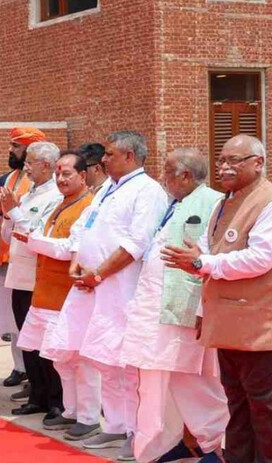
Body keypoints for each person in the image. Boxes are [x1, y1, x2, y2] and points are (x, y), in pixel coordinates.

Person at [163, 135, 272, 463]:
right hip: (230, 324)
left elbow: (258, 259)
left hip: (265, 327)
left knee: (266, 411)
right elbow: (208, 247)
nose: (225, 167)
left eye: (235, 161)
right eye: (222, 160)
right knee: (238, 408)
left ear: (258, 163)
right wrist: (199, 262)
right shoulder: (224, 202)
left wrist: (202, 262)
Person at [121, 149, 228, 463]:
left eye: (167, 172)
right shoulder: (175, 204)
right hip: (155, 309)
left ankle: (212, 446)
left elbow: (205, 255)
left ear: (185, 175)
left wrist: (199, 310)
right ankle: (170, 443)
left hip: (181, 310)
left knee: (188, 379)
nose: (162, 178)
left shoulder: (210, 202)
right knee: (159, 383)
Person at [71, 131, 169, 461]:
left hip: (124, 289)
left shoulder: (147, 191)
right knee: (104, 359)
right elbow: (85, 227)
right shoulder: (107, 190)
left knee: (128, 366)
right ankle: (113, 423)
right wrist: (78, 263)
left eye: (110, 154)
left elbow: (136, 243)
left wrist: (98, 273)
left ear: (130, 156)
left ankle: (135, 431)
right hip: (97, 289)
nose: (103, 160)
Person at [13, 151, 94, 430]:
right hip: (45, 294)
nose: (60, 179)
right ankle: (70, 411)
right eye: (58, 173)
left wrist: (34, 241)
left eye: (67, 173)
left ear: (83, 176)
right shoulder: (61, 204)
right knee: (59, 360)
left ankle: (87, 416)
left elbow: (69, 248)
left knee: (76, 362)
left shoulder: (88, 205)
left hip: (67, 296)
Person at [0, 141, 64, 416]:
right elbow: (10, 234)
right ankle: (36, 395)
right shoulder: (28, 194)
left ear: (46, 166)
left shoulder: (55, 196)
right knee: (27, 340)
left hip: (39, 277)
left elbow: (37, 232)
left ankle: (55, 400)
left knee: (46, 344)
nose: (25, 167)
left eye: (30, 163)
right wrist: (6, 212)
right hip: (19, 275)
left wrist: (14, 212)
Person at [0, 128, 44, 389]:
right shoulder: (6, 178)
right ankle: (19, 367)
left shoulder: (41, 183)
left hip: (30, 258)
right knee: (12, 318)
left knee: (29, 318)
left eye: (16, 146)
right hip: (5, 255)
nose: (11, 151)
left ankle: (36, 375)